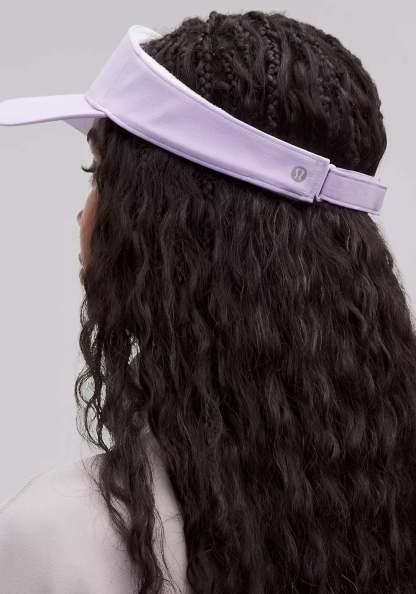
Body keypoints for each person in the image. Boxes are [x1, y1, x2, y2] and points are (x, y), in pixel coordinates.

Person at [1, 8, 416, 594]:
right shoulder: (388, 502)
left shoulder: (60, 542)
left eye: (98, 174)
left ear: (172, 235)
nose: (83, 215)